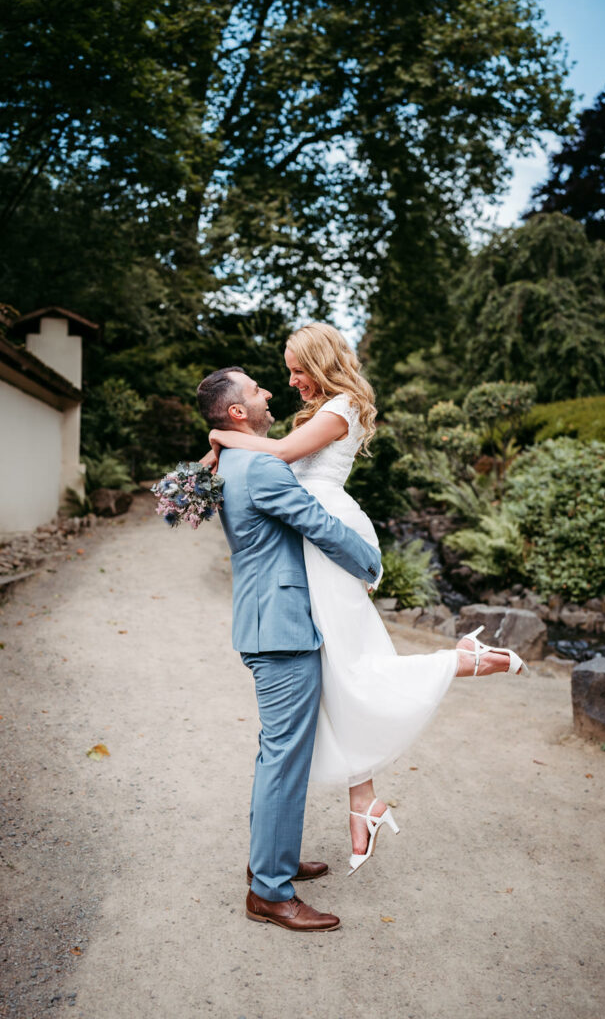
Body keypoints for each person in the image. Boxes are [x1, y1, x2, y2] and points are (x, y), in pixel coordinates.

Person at [206, 323, 526, 877]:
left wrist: (221, 440)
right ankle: (363, 805)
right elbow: (275, 460)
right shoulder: (319, 411)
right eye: (281, 374)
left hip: (331, 533)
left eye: (296, 368)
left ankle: (458, 662)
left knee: (350, 665)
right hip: (313, 543)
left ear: (319, 361)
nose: (289, 381)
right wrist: (221, 448)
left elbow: (278, 454)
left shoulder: (343, 406)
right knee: (339, 669)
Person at [196, 365, 382, 931]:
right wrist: (370, 562)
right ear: (236, 412)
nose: (268, 392)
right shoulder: (259, 464)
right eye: (256, 390)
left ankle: (269, 863)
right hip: (281, 629)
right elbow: (316, 523)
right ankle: (271, 893)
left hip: (265, 622)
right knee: (284, 757)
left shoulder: (233, 459)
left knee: (276, 752)